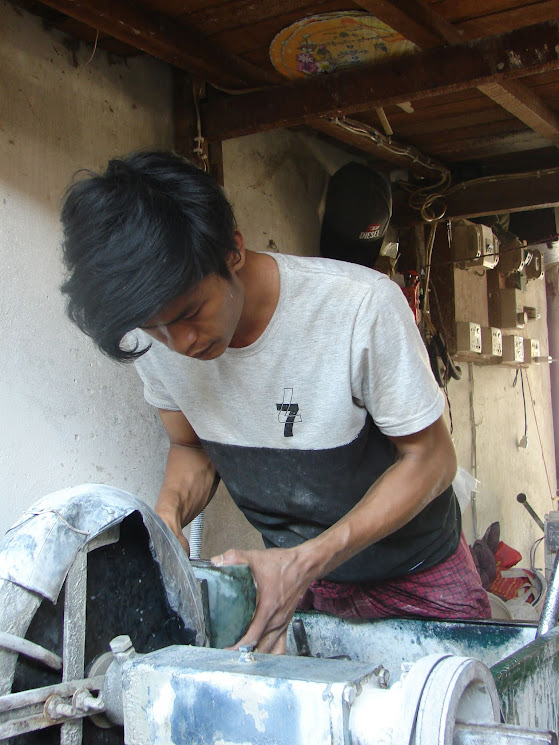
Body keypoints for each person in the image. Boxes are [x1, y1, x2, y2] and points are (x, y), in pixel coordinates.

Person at [60, 151, 491, 654]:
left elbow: (433, 459)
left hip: (416, 575)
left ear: (233, 253)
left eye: (191, 312)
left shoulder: (358, 307)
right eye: (156, 327)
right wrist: (168, 518)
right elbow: (192, 448)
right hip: (295, 587)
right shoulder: (159, 342)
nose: (180, 343)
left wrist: (305, 561)